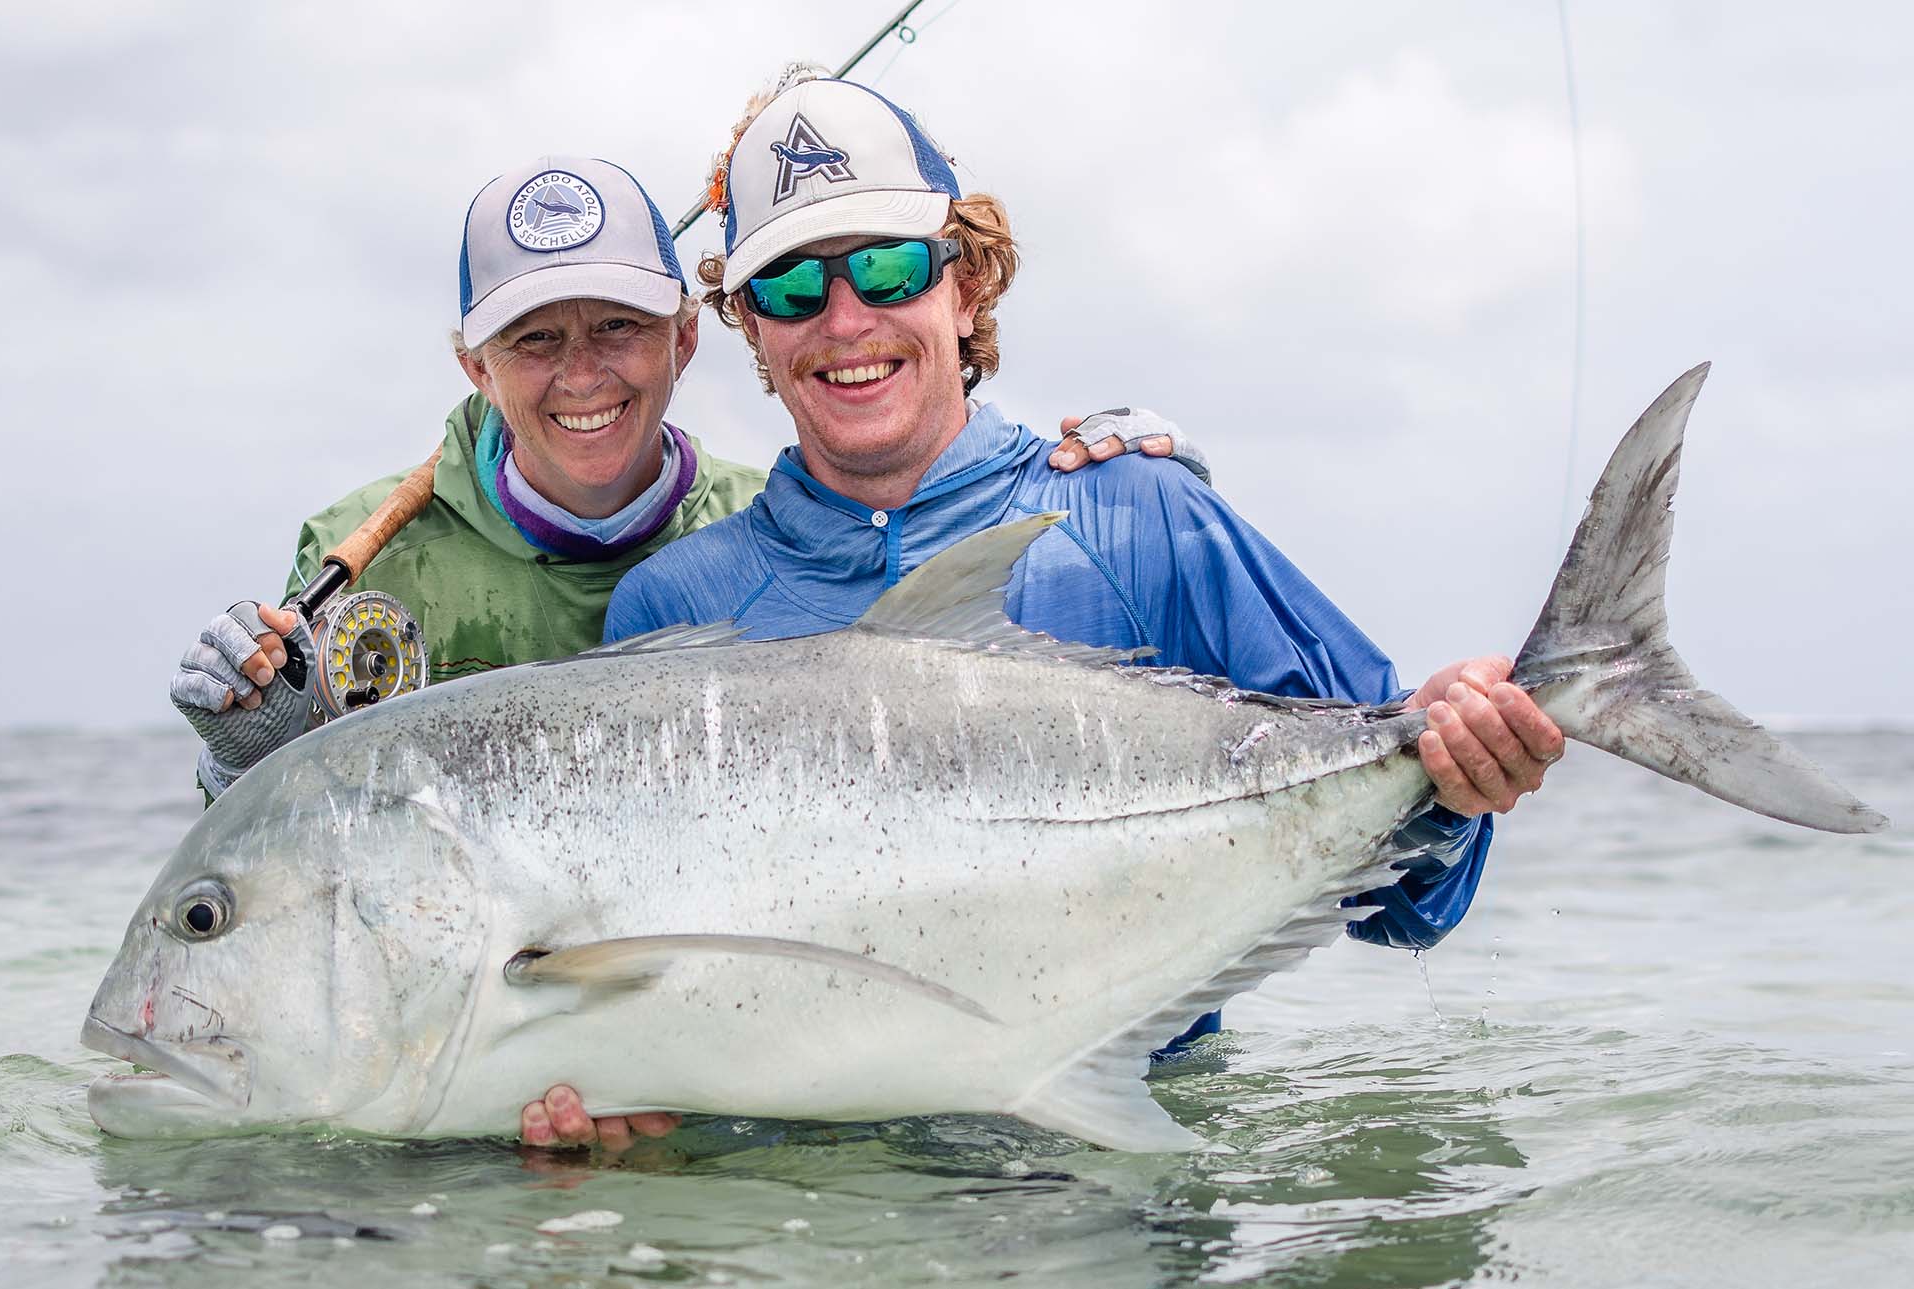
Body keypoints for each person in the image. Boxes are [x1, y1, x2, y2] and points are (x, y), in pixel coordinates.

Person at [166, 152, 1200, 1152]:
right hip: (453, 1064)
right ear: (472, 365)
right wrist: (243, 749)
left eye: (617, 326)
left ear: (685, 338)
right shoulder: (366, 559)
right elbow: (299, 857)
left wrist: (1121, 489)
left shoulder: (776, 535)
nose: (582, 372)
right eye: (532, 340)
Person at [602, 74, 1563, 1070]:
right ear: (750, 325)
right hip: (798, 1210)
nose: (845, 320)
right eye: (793, 287)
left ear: (964, 284)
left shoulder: (1147, 520)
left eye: (888, 268)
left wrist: (1451, 779)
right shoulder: (673, 611)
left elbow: (1408, 913)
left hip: (1119, 1197)